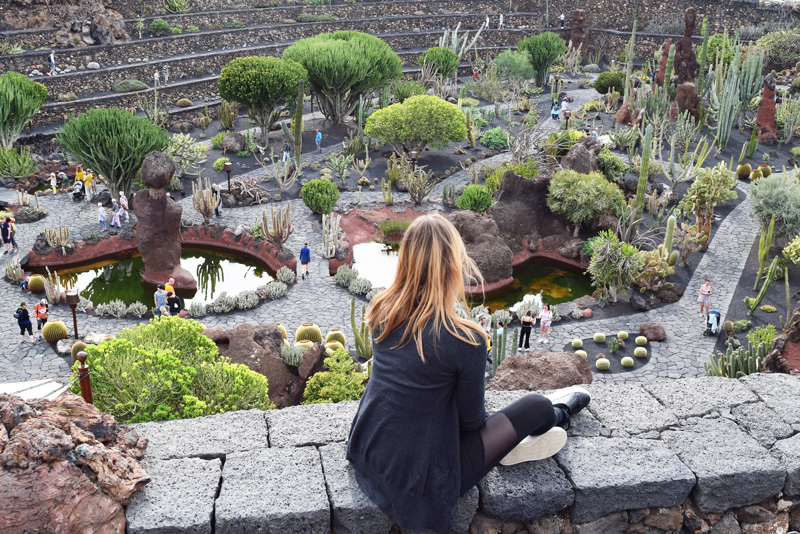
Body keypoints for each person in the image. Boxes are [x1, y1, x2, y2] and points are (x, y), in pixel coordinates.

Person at [346, 214, 590, 534]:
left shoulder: (382, 312)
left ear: (405, 260)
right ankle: (558, 414)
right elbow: (471, 423)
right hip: (421, 475)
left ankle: (524, 437)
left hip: (371, 449)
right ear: (453, 266)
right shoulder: (465, 339)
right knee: (536, 406)